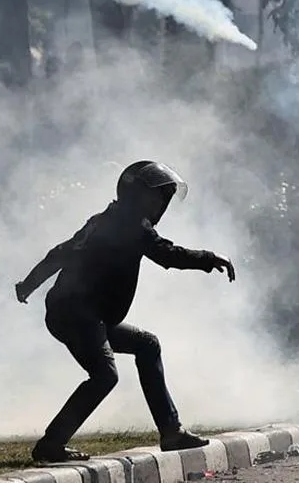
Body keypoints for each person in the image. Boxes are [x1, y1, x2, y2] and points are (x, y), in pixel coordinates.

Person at [14, 160, 237, 463]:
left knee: (147, 344)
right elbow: (167, 255)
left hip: (80, 314)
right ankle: (51, 444)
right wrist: (209, 258)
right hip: (78, 314)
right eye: (157, 196)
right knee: (104, 375)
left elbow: (60, 253)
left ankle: (171, 431)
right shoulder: (131, 225)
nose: (161, 204)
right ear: (137, 195)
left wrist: (29, 284)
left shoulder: (102, 220)